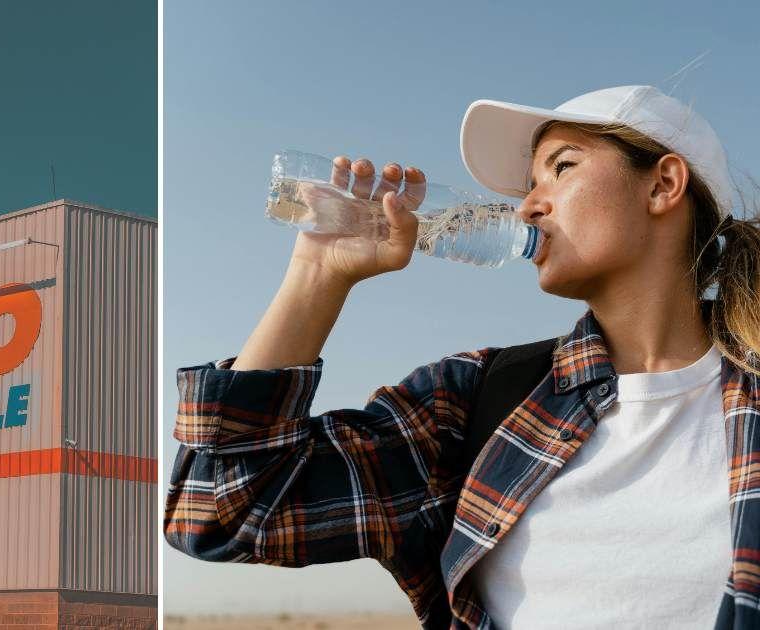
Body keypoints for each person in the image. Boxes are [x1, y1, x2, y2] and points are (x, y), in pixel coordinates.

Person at [163, 85, 760, 630]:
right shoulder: (477, 399)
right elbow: (220, 511)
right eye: (528, 186)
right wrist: (318, 274)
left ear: (663, 184)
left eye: (562, 167)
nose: (528, 207)